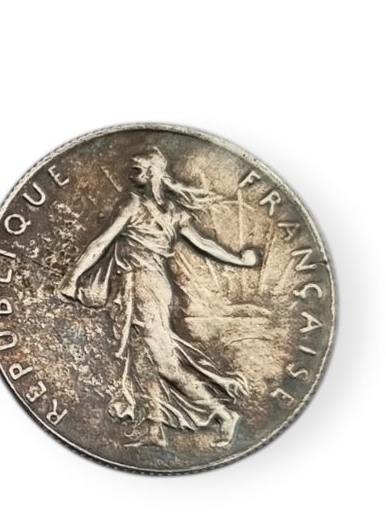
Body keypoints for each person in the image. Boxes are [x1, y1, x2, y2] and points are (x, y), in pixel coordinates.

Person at [61, 148, 259, 447]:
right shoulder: (174, 212)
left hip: (142, 285)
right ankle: (154, 428)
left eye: (137, 169)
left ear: (153, 172)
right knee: (142, 356)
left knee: (165, 364)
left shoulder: (133, 204)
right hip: (149, 285)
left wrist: (72, 278)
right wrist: (240, 260)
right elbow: (205, 244)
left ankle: (223, 414)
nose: (131, 174)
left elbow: (102, 242)